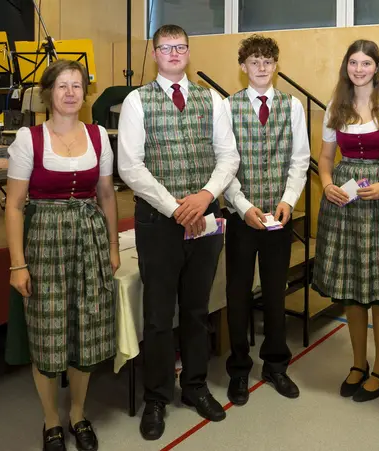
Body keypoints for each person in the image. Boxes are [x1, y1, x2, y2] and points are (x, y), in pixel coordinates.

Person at [117, 24, 239, 440]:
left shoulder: (212, 99)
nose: (174, 53)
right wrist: (176, 208)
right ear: (154, 54)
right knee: (157, 315)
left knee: (196, 309)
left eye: (180, 47)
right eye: (166, 47)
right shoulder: (136, 101)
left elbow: (228, 157)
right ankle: (156, 396)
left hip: (206, 217)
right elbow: (130, 167)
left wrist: (204, 197)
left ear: (188, 52)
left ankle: (195, 386)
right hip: (159, 222)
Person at [5, 59, 119, 451]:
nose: (70, 92)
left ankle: (78, 414)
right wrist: (17, 264)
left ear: (84, 93)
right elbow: (14, 205)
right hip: (44, 242)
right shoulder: (29, 139)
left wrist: (112, 247)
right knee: (47, 333)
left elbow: (107, 195)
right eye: (62, 86)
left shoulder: (98, 136)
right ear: (48, 93)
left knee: (86, 330)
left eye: (77, 85)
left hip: (89, 240)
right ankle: (51, 420)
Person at [312, 39, 379, 402]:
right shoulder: (336, 105)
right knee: (351, 286)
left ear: (376, 67)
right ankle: (358, 364)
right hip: (345, 202)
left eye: (366, 63)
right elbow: (326, 158)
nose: (359, 69)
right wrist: (327, 184)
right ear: (347, 66)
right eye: (353, 62)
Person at [223, 34, 310, 405]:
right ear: (243, 66)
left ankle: (276, 365)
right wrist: (243, 206)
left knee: (275, 293)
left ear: (276, 66)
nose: (261, 67)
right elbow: (223, 164)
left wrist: (288, 200)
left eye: (268, 61)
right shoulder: (226, 107)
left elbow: (299, 159)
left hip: (278, 215)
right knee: (238, 294)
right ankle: (239, 369)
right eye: (254, 61)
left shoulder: (292, 107)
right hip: (241, 216)